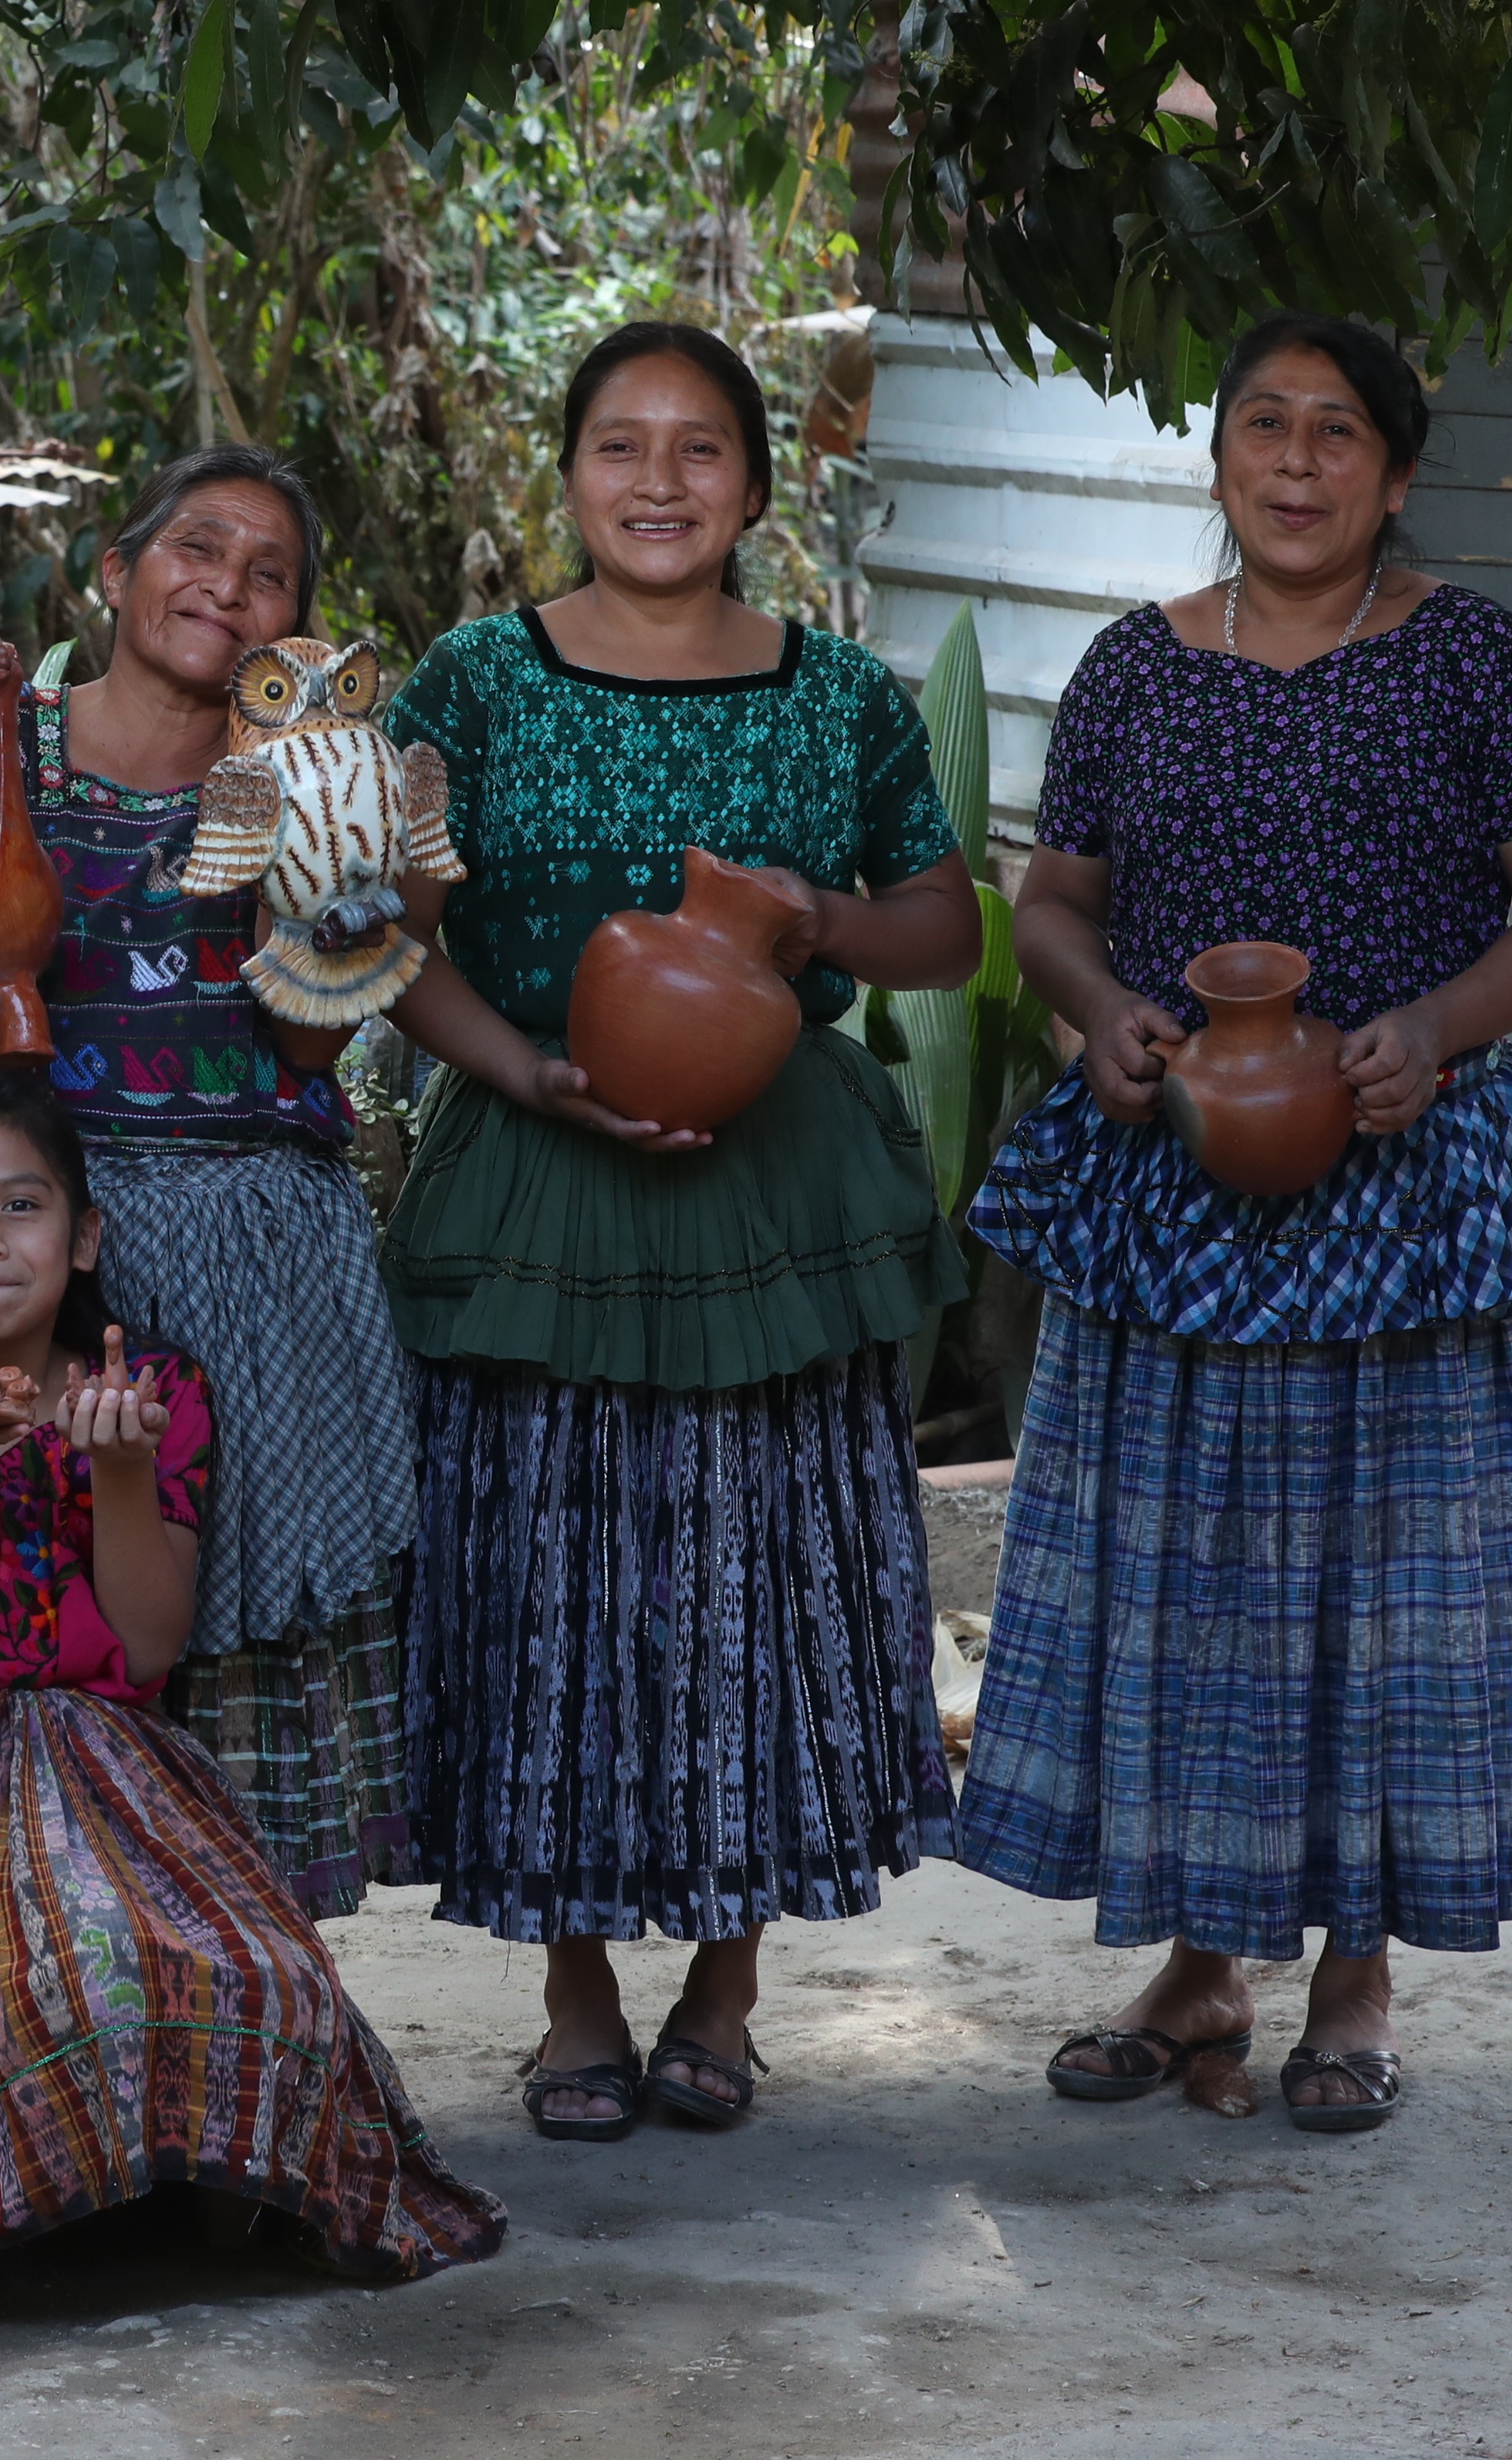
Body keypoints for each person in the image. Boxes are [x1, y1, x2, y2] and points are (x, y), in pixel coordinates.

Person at [955, 314, 1512, 2132]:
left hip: (1417, 1193)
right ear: (1221, 457)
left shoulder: (1473, 657)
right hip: (1184, 1190)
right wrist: (1103, 1018)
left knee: (1388, 1600)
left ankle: (1356, 1979)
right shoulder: (1130, 672)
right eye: (1267, 424)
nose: (1301, 460)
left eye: (1341, 434)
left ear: (1396, 477)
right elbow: (1057, 906)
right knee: (1193, 1591)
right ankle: (1196, 1970)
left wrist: (1436, 1029)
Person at [374, 322, 982, 2140]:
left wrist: (818, 919)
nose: (658, 481)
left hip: (773, 1186)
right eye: (621, 446)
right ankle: (572, 1994)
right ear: (564, 475)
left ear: (754, 485)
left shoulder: (840, 697)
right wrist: (526, 1069)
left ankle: (727, 1981)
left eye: (700, 448)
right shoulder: (471, 683)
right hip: (539, 1164)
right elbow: (377, 932)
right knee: (542, 1574)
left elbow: (945, 929)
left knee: (756, 1576)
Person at [0, 1071, 502, 2316]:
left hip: (113, 1759)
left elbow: (144, 1652)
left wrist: (121, 1477)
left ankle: (185, 2174)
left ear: (83, 1236)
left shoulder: (156, 1394)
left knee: (260, 1985)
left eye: (21, 1206)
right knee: (0, 1985)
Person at [0, 444, 418, 1917]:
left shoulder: (312, 781)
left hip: (250, 1257)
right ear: (114, 573)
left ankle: (231, 2007)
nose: (229, 587)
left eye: (272, 577)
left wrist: (332, 871)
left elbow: (304, 1044)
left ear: (298, 643)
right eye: (198, 548)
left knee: (222, 1635)